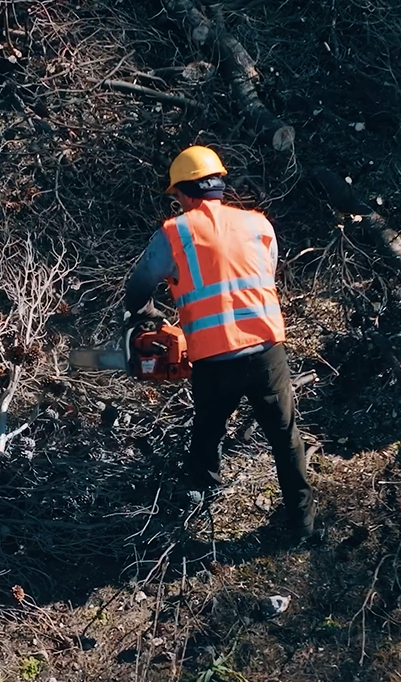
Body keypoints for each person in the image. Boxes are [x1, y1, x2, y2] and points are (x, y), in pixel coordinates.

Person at [123, 145, 316, 541]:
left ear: (187, 192)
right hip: (266, 351)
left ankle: (201, 489)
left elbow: (137, 287)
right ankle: (303, 524)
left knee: (208, 426)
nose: (176, 202)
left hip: (213, 360)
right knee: (285, 437)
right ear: (217, 186)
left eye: (176, 195)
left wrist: (148, 318)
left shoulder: (174, 233)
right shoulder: (259, 225)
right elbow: (266, 272)